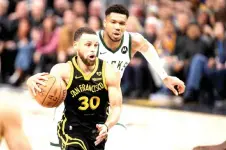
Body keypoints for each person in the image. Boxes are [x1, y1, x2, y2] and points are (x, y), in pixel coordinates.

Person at [50, 4, 186, 150]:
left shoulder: (133, 41)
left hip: (104, 100)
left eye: (121, 23)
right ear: (105, 23)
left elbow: (148, 49)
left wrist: (165, 77)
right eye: (113, 22)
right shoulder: (93, 41)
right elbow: (72, 68)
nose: (117, 27)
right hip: (79, 96)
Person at [27, 27, 123, 150]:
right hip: (71, 128)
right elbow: (44, 91)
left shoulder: (108, 72)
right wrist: (31, 82)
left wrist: (107, 126)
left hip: (97, 131)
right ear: (76, 46)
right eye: (88, 45)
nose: (93, 49)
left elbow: (116, 107)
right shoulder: (62, 70)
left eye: (95, 45)